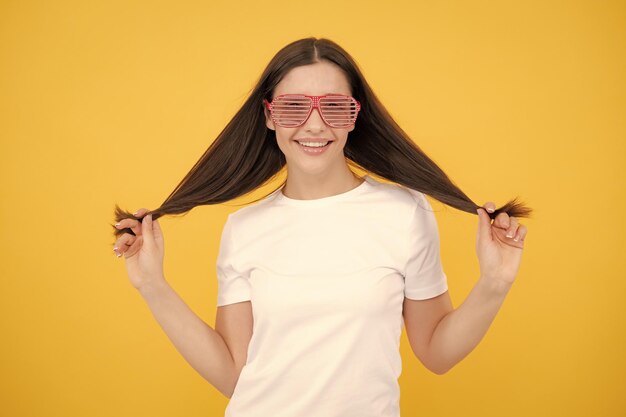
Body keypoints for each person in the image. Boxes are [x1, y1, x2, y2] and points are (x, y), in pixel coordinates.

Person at [110, 37, 531, 417]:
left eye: (334, 107)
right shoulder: (244, 228)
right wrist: (153, 285)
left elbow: (437, 353)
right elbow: (236, 375)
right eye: (294, 107)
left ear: (355, 117)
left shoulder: (404, 213)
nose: (314, 125)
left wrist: (494, 282)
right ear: (270, 116)